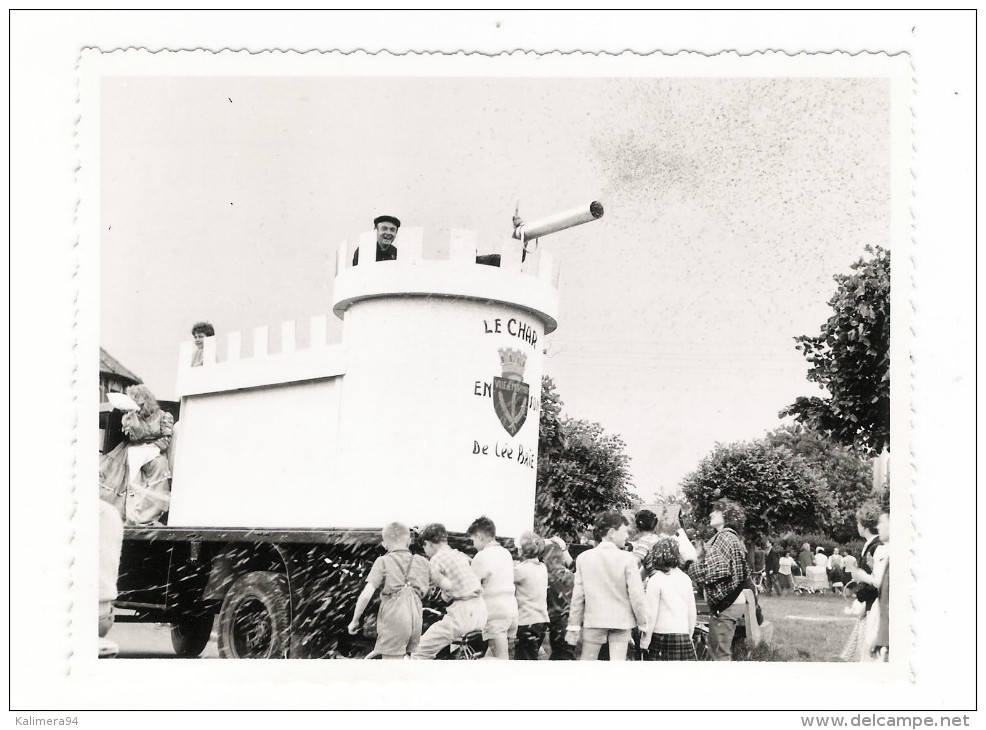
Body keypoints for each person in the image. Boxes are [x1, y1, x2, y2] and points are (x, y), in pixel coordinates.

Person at [565, 511, 649, 661]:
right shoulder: (628, 559)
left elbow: (578, 596)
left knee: (588, 663)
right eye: (624, 532)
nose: (627, 536)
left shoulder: (583, 558)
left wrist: (573, 625)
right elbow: (637, 595)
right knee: (616, 667)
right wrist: (643, 623)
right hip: (621, 623)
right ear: (612, 532)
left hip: (594, 621)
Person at [347, 522, 430, 659]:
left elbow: (366, 595)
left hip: (394, 619)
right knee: (408, 658)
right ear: (409, 541)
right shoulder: (420, 561)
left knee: (391, 666)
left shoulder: (383, 561)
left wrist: (355, 620)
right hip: (415, 618)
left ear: (384, 544)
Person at [98, 384, 174, 525]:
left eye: (138, 402)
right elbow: (133, 438)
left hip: (154, 449)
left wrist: (152, 447)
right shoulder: (133, 415)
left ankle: (144, 515)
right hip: (135, 448)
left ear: (146, 401)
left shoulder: (163, 416)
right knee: (117, 469)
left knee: (159, 464)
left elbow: (166, 438)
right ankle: (125, 514)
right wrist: (132, 422)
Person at [410, 523, 487, 660]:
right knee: (453, 649)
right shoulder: (460, 555)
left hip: (463, 612)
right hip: (480, 609)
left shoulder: (436, 559)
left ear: (428, 544)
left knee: (420, 651)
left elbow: (426, 589)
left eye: (424, 546)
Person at [686, 499, 749, 661]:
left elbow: (710, 571)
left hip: (726, 606)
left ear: (726, 515)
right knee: (720, 652)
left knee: (719, 656)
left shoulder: (724, 538)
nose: (711, 513)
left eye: (717, 510)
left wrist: (688, 565)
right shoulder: (729, 538)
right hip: (732, 603)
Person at [467, 516, 518, 659]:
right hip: (511, 610)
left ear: (479, 536)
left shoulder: (481, 556)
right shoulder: (506, 553)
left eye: (473, 540)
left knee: (500, 659)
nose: (473, 544)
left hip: (495, 612)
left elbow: (472, 586)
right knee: (493, 654)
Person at [840, 503, 885, 662]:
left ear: (864, 526)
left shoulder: (876, 547)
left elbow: (874, 581)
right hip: (868, 604)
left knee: (868, 650)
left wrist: (860, 598)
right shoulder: (871, 545)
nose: (857, 526)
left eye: (858, 523)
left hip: (872, 605)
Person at [640, 537, 698, 661]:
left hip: (661, 636)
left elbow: (650, 615)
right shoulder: (685, 579)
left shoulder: (656, 580)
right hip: (683, 634)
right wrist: (689, 634)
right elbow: (691, 611)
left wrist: (645, 641)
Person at [513, 531, 549, 660]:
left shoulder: (520, 570)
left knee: (523, 659)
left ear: (522, 551)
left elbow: (505, 577)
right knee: (530, 655)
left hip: (526, 620)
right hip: (541, 620)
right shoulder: (542, 568)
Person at [542, 541, 575, 660]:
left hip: (557, 623)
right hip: (571, 621)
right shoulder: (571, 575)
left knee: (560, 655)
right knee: (566, 652)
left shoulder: (548, 578)